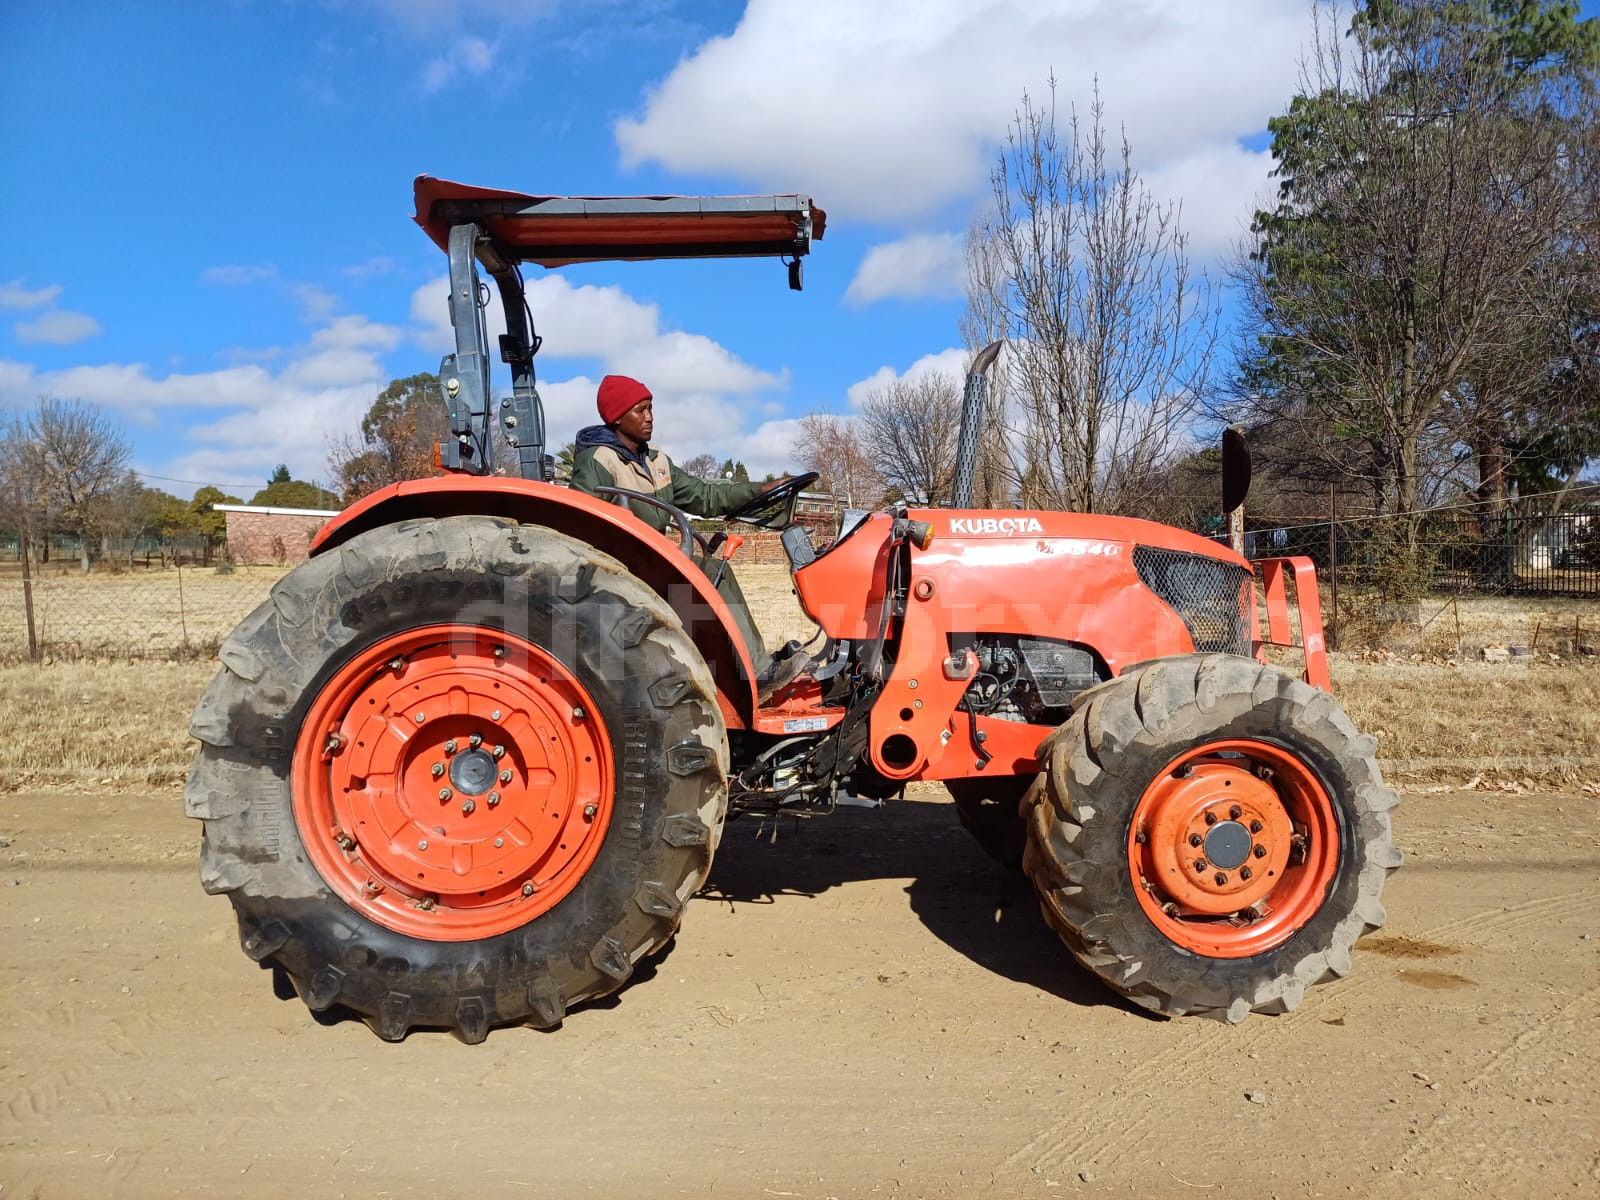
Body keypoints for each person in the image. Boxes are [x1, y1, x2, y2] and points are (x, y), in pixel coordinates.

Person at [569, 374, 806, 698]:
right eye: (640, 410)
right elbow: (581, 521)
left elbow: (706, 495)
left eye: (651, 408)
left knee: (713, 569)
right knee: (708, 572)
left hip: (655, 561)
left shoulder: (657, 462)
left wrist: (761, 489)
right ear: (617, 417)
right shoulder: (597, 461)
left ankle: (746, 669)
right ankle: (755, 674)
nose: (650, 417)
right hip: (626, 568)